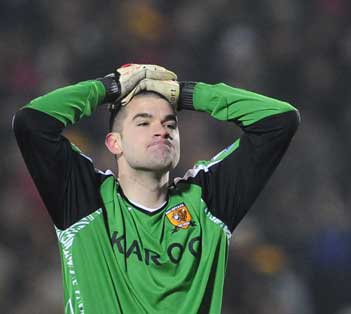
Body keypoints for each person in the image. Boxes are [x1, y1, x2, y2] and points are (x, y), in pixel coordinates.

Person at [13, 63, 300, 314]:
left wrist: (185, 94)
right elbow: (31, 123)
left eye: (170, 123)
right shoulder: (85, 200)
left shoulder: (206, 203)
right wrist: (109, 87)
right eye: (143, 122)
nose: (161, 130)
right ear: (115, 143)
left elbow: (279, 121)